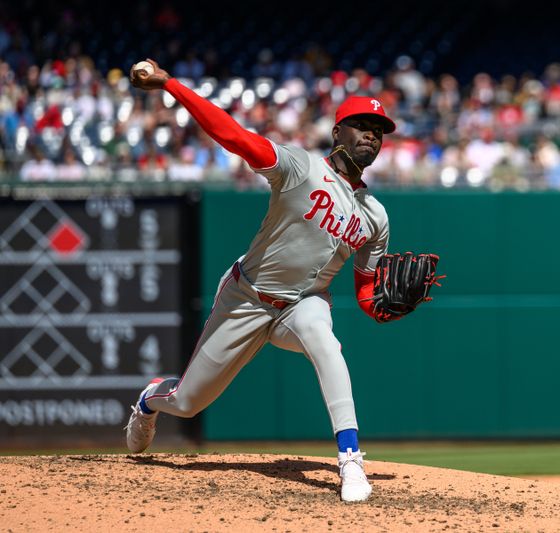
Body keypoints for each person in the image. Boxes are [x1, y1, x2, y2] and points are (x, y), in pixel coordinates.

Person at [125, 59, 403, 503]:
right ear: (337, 132)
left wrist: (386, 308)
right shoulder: (300, 167)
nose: (371, 133)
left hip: (305, 302)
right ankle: (149, 400)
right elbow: (232, 135)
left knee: (324, 340)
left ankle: (350, 459)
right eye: (361, 124)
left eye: (378, 129)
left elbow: (367, 295)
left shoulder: (376, 217)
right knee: (187, 401)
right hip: (247, 297)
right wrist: (171, 84)